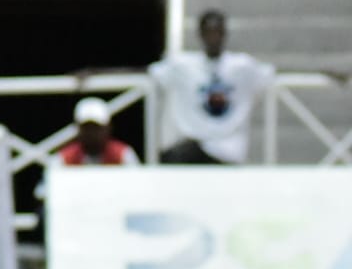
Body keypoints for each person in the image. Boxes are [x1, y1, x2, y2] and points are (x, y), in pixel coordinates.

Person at [150, 10, 275, 164]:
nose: (213, 37)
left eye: (217, 32)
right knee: (171, 155)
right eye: (209, 32)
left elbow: (270, 76)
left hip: (228, 149)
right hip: (193, 144)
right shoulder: (183, 65)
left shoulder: (242, 66)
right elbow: (149, 74)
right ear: (200, 34)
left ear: (224, 33)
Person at [58, 97, 139, 166]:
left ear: (108, 127)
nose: (91, 133)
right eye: (87, 128)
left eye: (96, 127)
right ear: (78, 128)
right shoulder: (64, 158)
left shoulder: (123, 155)